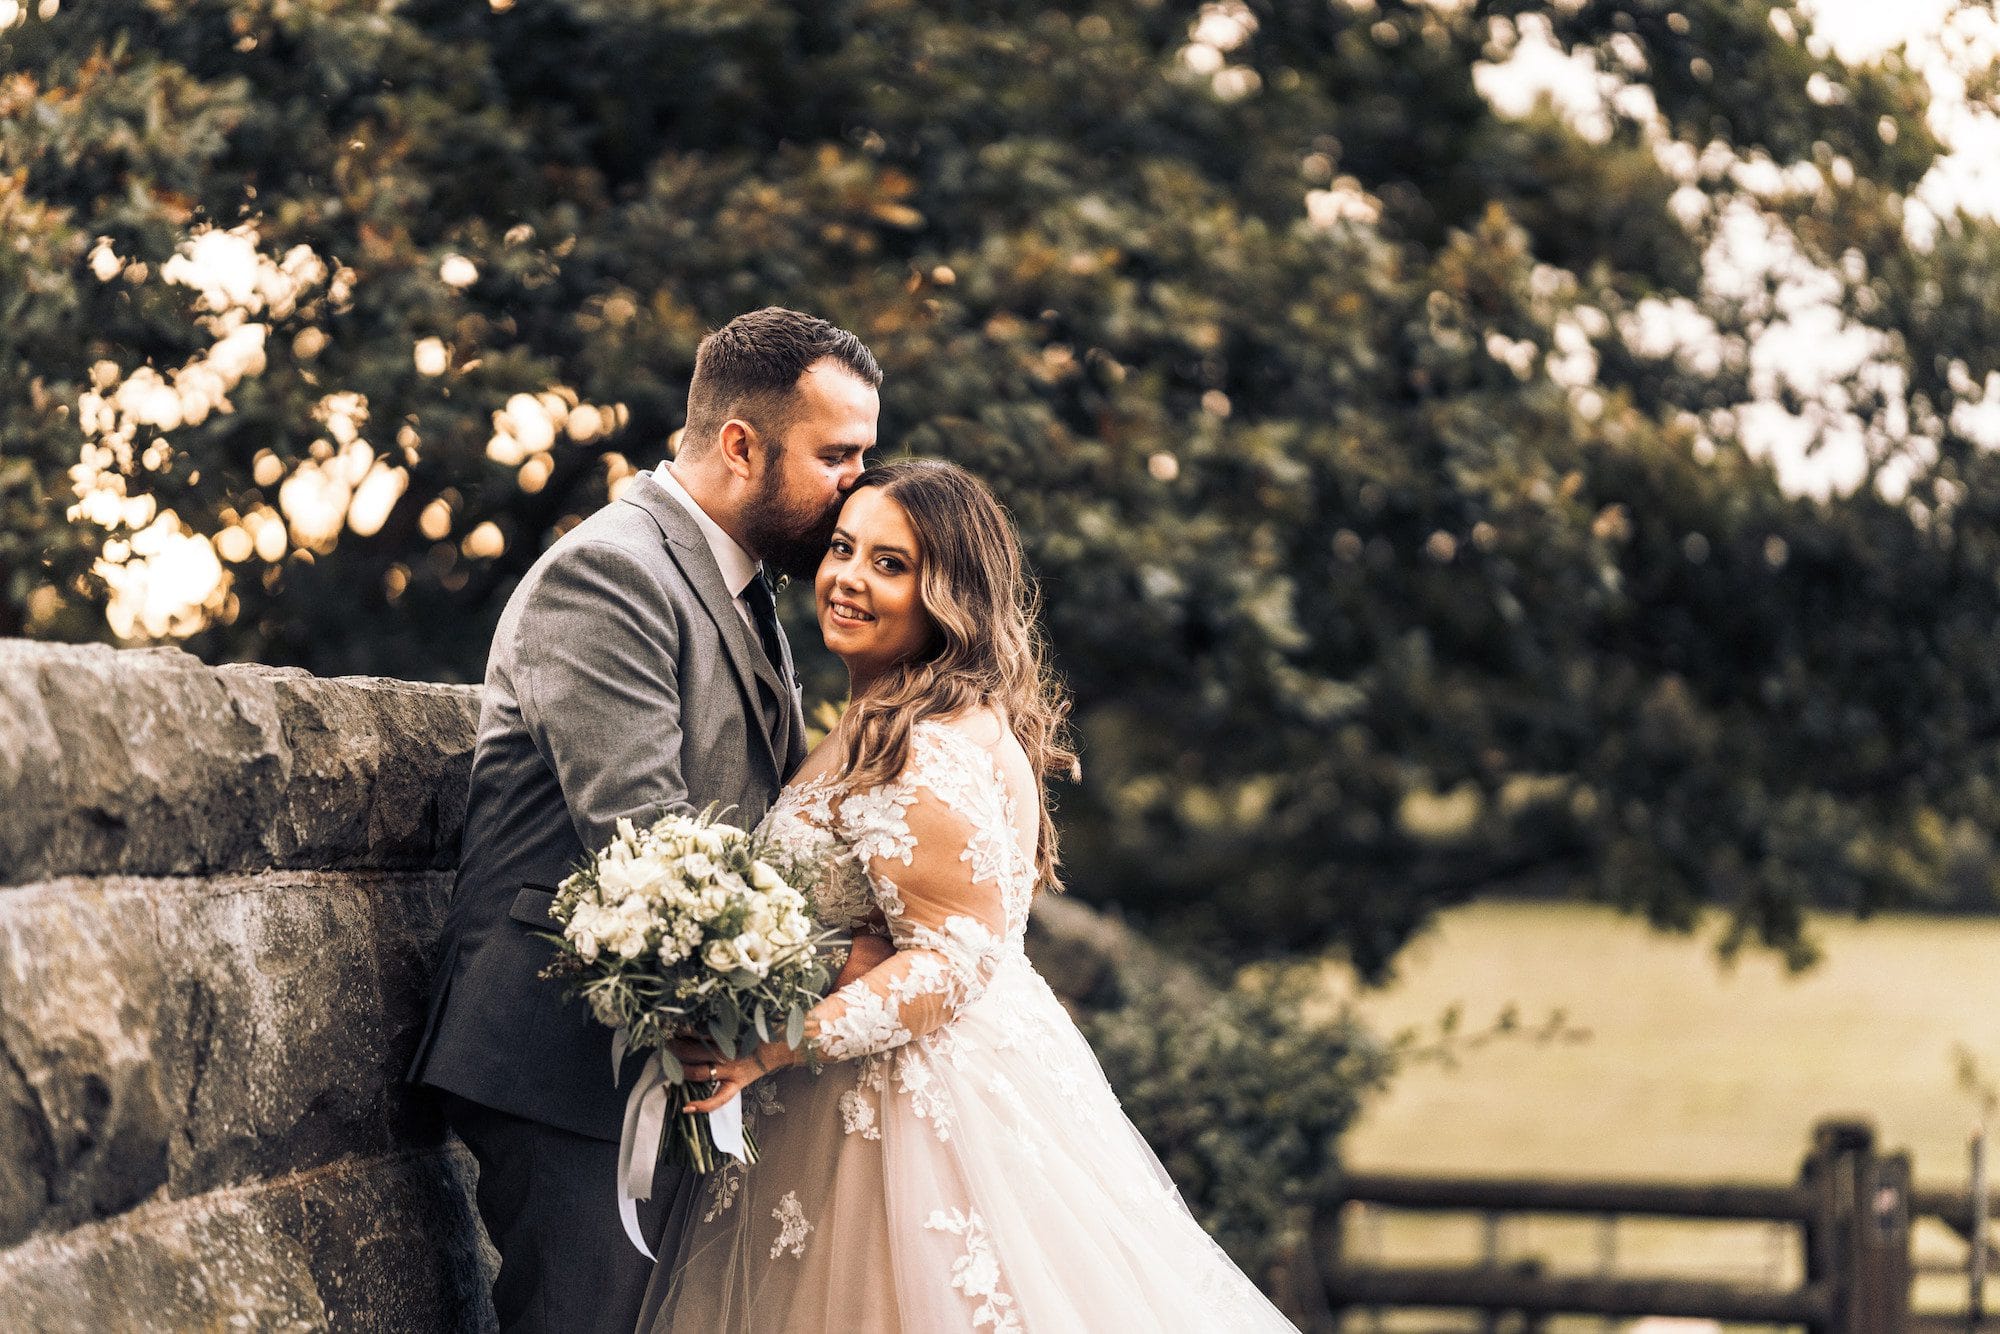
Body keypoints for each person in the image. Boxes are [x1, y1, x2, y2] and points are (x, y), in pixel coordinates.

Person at [637, 459, 1299, 1332]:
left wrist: (770, 1049)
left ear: (949, 595)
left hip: (912, 1121)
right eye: (843, 549)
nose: (848, 579)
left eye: (891, 564)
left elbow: (950, 961)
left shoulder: (926, 744)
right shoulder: (879, 719)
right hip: (838, 1106)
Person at [405, 307, 894, 1333]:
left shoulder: (742, 585)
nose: (856, 480)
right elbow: (648, 839)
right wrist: (846, 965)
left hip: (664, 1051)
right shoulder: (614, 570)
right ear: (739, 444)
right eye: (836, 454)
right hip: (566, 1063)